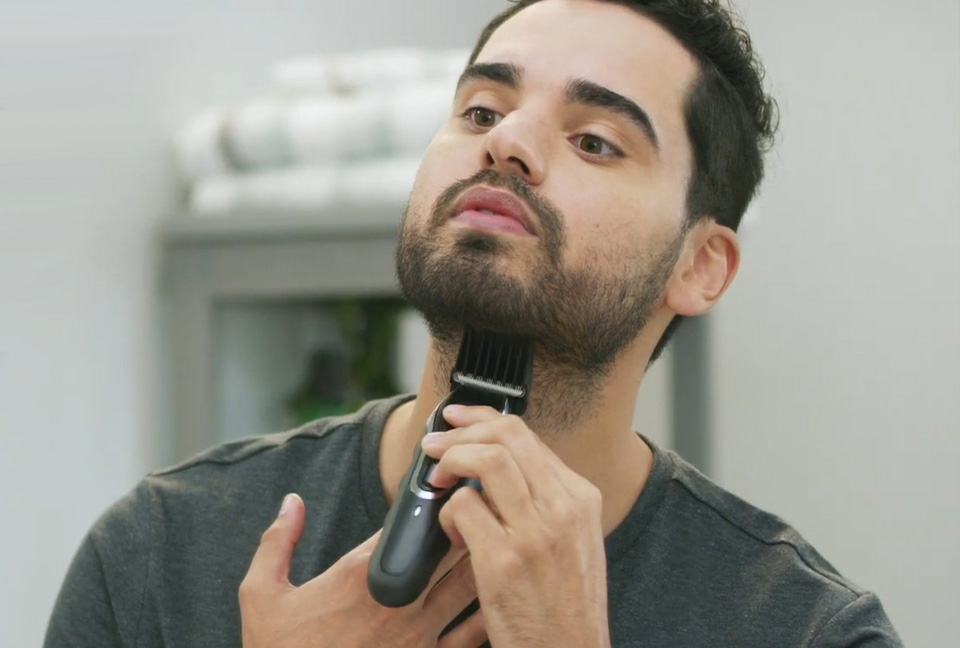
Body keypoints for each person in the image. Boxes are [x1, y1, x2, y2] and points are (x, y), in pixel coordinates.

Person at [44, 1, 904, 646]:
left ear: (699, 265)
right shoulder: (159, 553)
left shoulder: (806, 632)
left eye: (596, 140)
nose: (509, 144)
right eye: (482, 112)